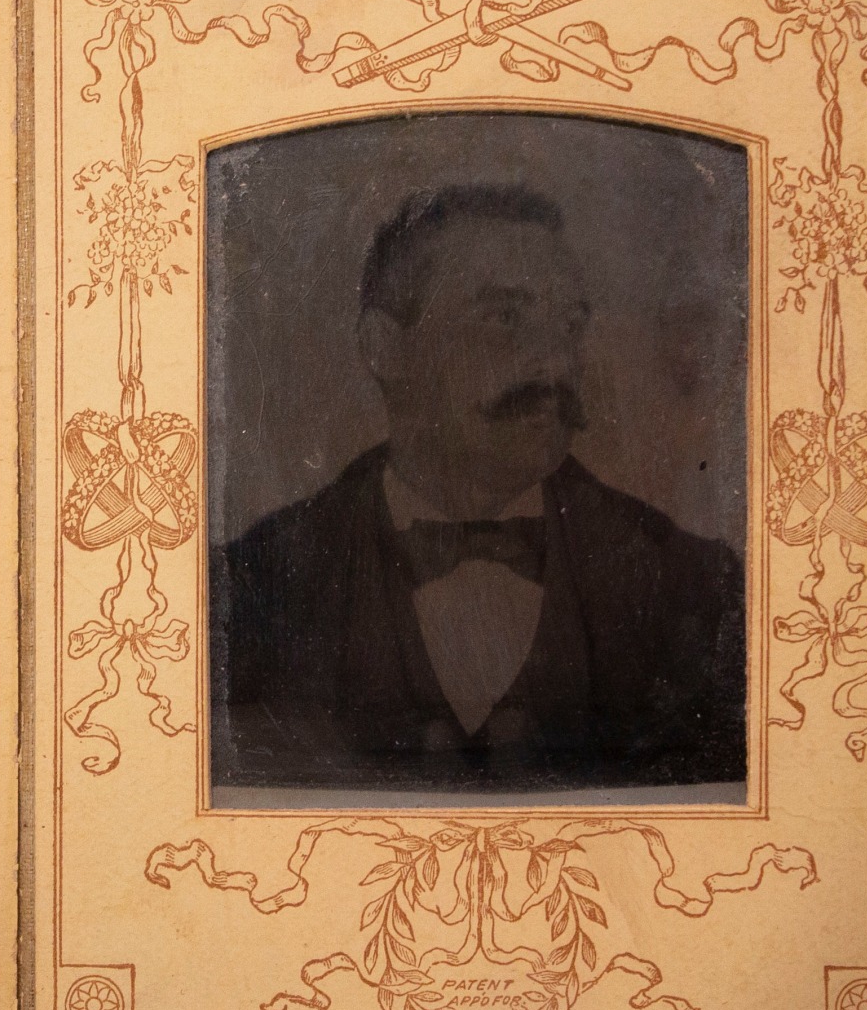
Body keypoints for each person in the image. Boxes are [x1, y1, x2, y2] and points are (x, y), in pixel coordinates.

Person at [213, 184, 746, 794]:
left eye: (570, 325)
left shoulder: (694, 587)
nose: (556, 365)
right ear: (384, 348)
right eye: (504, 318)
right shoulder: (248, 590)